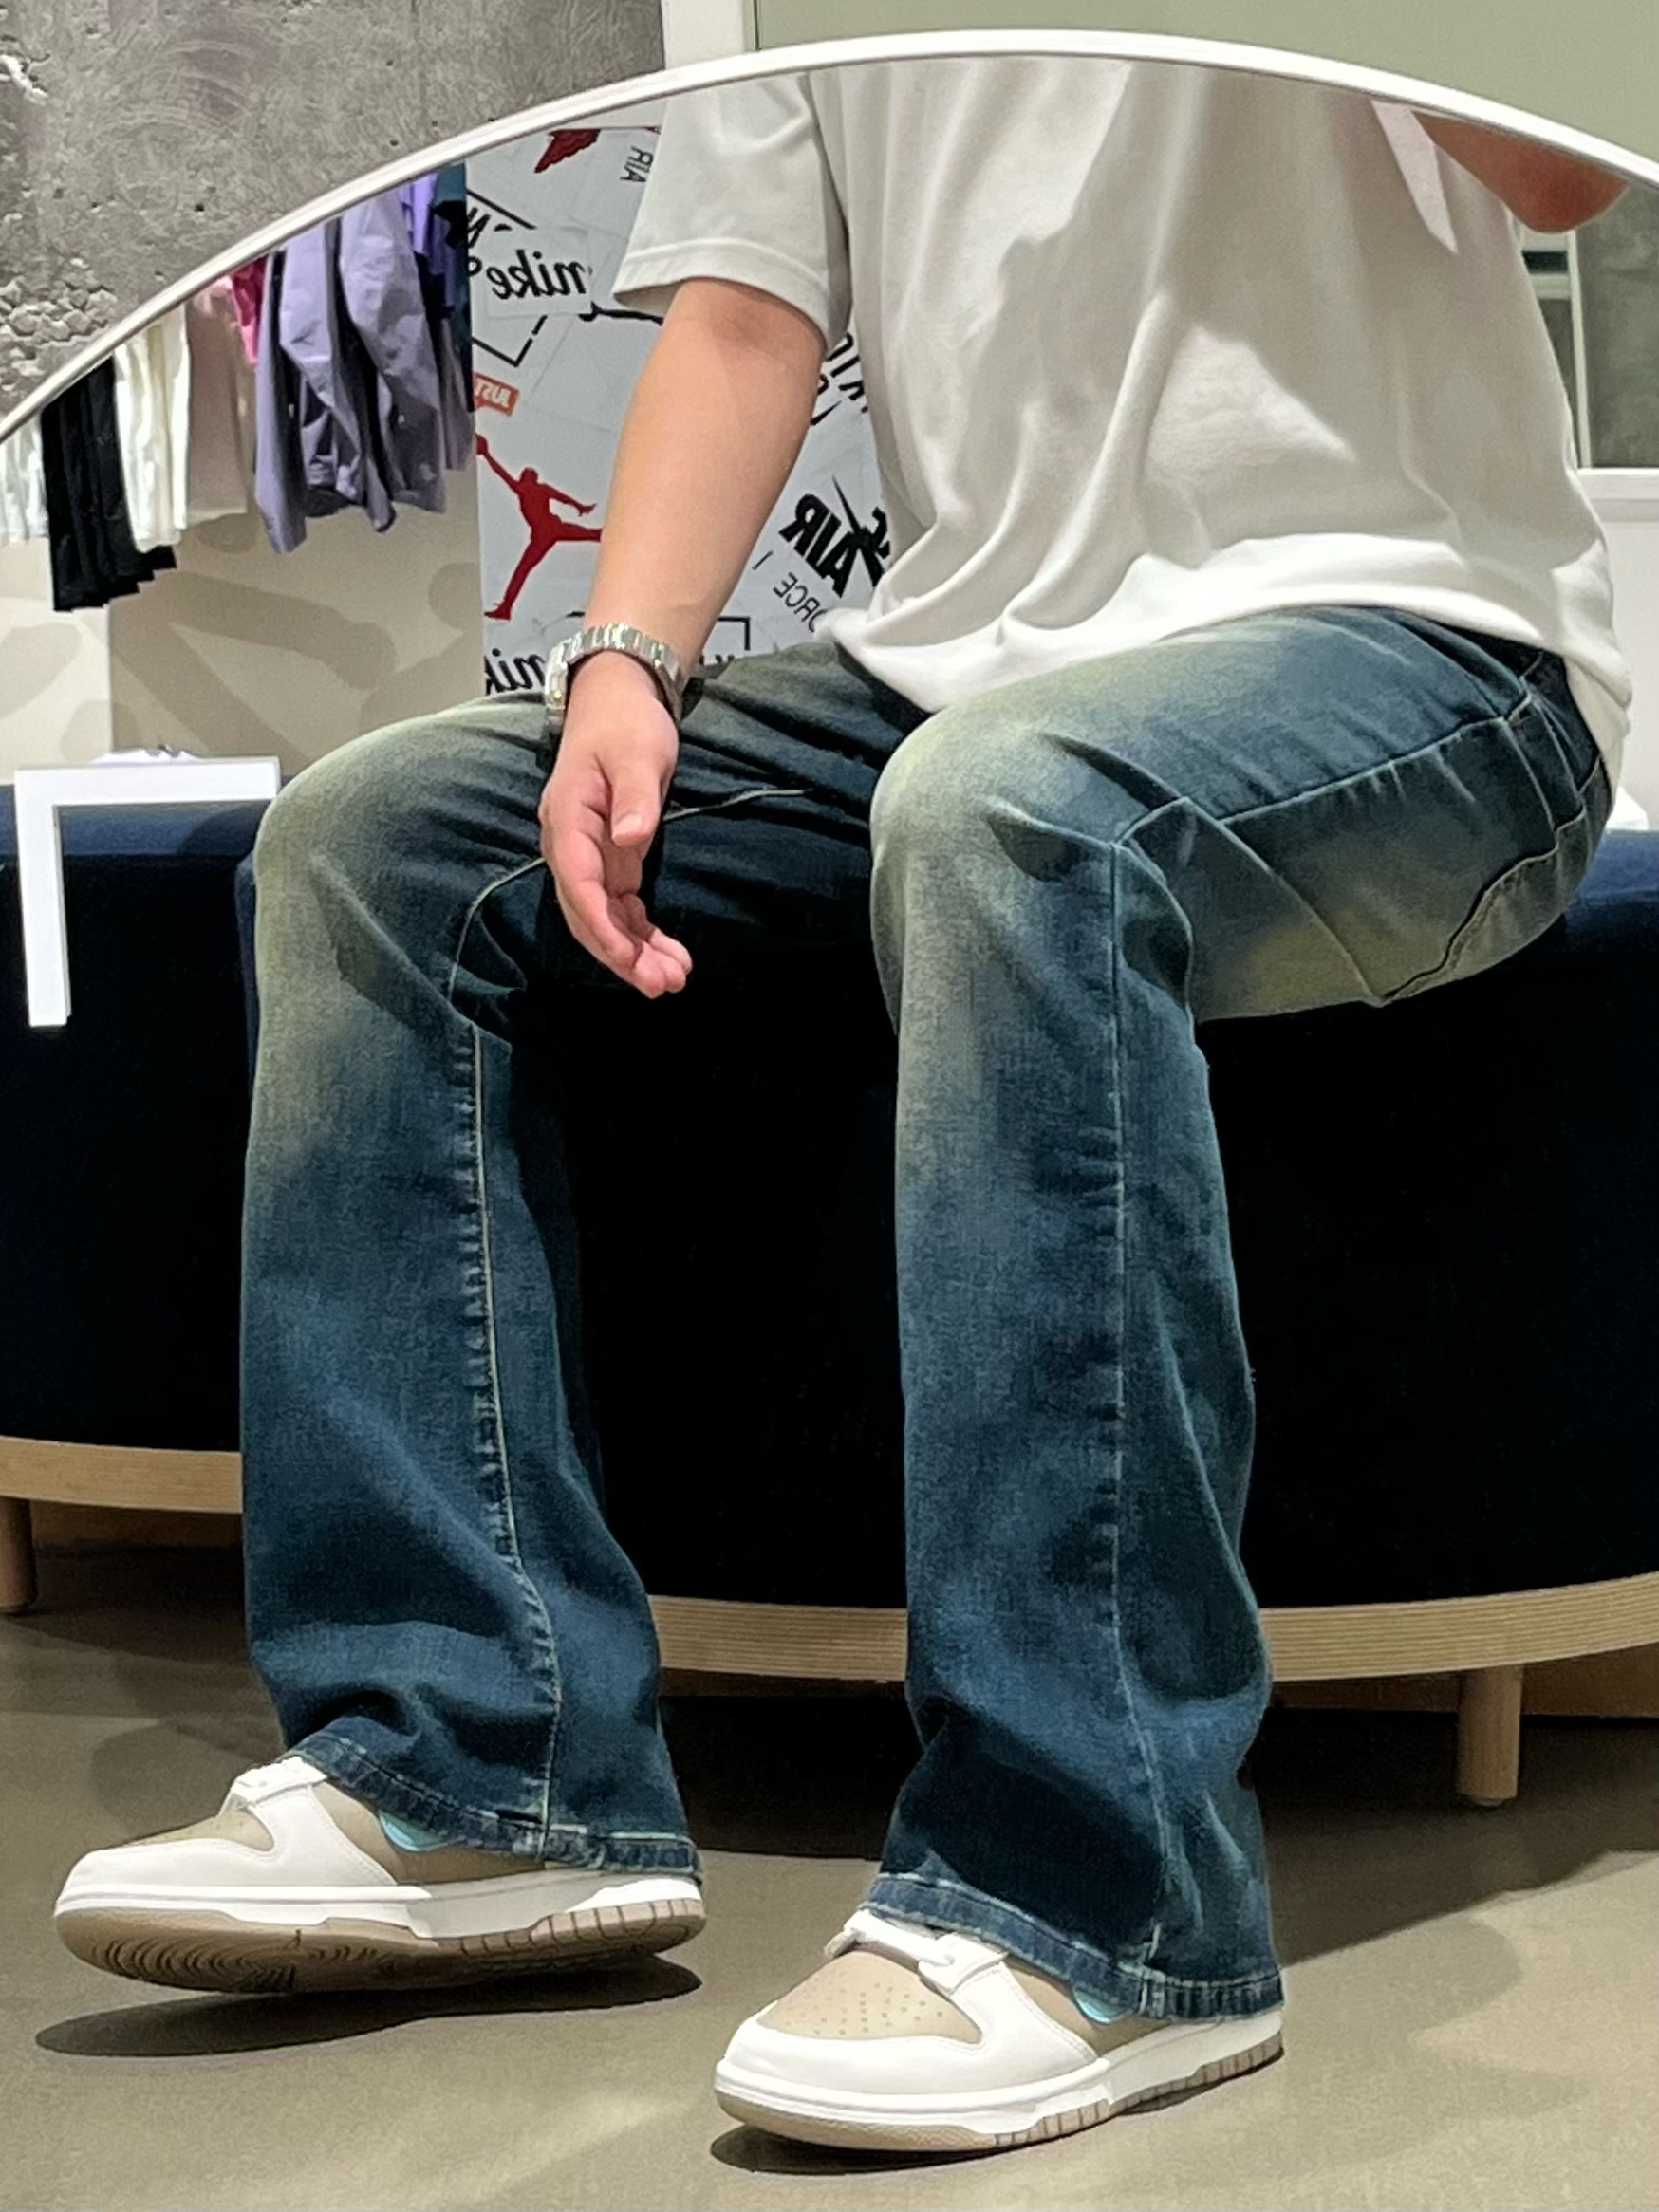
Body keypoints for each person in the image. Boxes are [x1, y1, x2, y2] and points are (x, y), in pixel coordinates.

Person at [54, 60, 1629, 2157]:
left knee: (1018, 816)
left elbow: (1560, 163)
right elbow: (741, 317)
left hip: (1430, 660)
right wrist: (627, 663)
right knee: (383, 842)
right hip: (955, 672)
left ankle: (1100, 1889)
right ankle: (470, 1761)